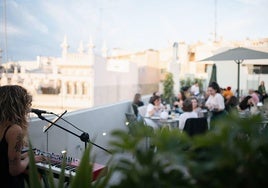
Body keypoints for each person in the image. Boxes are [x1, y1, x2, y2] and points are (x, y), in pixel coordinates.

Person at [0, 85, 43, 188]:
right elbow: (14, 170)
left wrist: (22, 157)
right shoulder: (14, 130)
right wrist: (30, 159)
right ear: (18, 106)